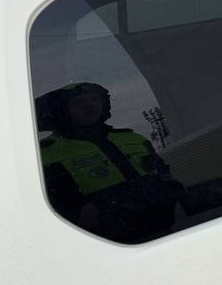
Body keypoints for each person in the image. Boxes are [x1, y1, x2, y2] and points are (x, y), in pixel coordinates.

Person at [37, 81, 183, 244]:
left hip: (169, 234)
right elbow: (61, 211)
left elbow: (168, 179)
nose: (89, 105)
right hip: (106, 246)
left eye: (94, 99)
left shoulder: (134, 138)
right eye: (79, 102)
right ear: (62, 110)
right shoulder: (47, 154)